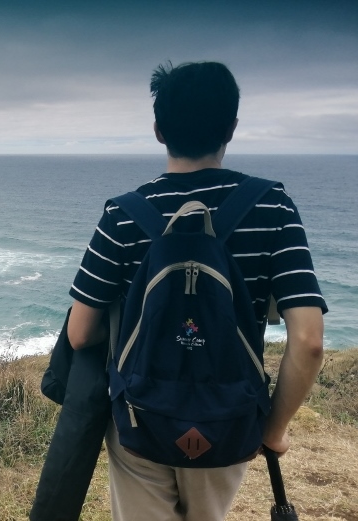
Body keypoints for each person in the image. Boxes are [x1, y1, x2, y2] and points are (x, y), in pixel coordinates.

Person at [66, 61, 326, 520]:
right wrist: (273, 430)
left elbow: (81, 334)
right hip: (228, 418)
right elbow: (307, 341)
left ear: (158, 130)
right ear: (232, 127)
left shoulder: (123, 215)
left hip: (139, 417)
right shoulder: (273, 207)